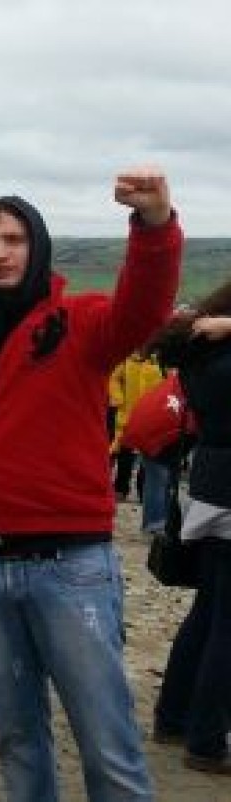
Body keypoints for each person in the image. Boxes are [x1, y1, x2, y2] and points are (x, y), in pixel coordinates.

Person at [0, 171, 182, 801]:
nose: (0, 252)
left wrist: (155, 226)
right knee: (15, 740)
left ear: (38, 246)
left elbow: (146, 305)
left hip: (72, 567)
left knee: (106, 744)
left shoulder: (80, 322)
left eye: (14, 239)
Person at [149, 293, 231, 776]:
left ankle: (175, 717)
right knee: (225, 625)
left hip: (211, 484)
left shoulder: (208, 350)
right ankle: (205, 739)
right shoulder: (222, 354)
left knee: (208, 614)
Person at [108, 350, 165, 502]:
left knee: (148, 454)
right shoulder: (126, 359)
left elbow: (168, 383)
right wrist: (117, 399)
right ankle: (120, 488)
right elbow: (114, 378)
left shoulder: (158, 361)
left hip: (151, 416)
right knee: (124, 453)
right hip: (127, 414)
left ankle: (144, 492)